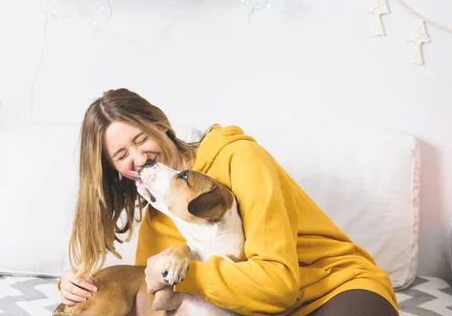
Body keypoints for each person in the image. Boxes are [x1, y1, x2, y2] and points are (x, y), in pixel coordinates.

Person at [58, 88, 399, 316]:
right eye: (121, 154)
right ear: (115, 169)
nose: (138, 156)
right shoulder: (158, 216)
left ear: (160, 124)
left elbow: (278, 285)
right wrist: (76, 288)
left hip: (331, 287)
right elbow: (153, 290)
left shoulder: (239, 158)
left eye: (141, 138)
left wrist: (184, 275)